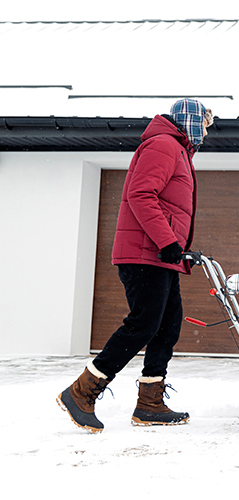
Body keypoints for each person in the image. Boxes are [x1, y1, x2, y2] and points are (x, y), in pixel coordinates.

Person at [57, 98, 213, 433]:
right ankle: (82, 391)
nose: (205, 132)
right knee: (143, 324)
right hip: (145, 254)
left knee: (167, 328)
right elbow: (142, 195)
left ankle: (150, 404)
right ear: (190, 121)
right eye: (204, 124)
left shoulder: (178, 151)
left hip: (161, 257)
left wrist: (174, 247)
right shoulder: (163, 145)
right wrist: (168, 241)